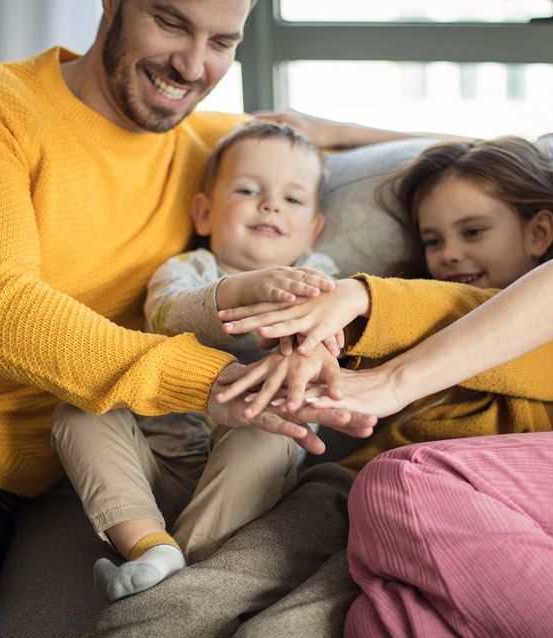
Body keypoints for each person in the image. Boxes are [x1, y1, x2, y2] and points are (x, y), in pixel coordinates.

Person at [0, 1, 376, 636]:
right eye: (170, 22)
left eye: (222, 41)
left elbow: (458, 150)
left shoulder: (212, 150)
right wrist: (212, 381)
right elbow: (1, 313)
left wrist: (345, 132)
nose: (191, 66)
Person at [217, 0, 553, 634]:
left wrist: (389, 380)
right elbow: (519, 153)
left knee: (408, 484)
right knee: (384, 619)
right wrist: (338, 131)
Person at [51, 121, 342, 601]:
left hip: (241, 484)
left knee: (268, 425)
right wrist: (240, 290)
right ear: (205, 214)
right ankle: (153, 546)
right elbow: (167, 316)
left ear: (312, 230)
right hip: (154, 468)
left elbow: (328, 338)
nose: (269, 204)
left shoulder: (318, 278)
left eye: (291, 199)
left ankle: (176, 573)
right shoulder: (187, 269)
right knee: (78, 410)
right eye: (248, 190)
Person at [330, 136, 553, 470]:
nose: (449, 254)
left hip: (477, 480)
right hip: (361, 473)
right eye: (433, 241)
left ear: (537, 233)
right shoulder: (412, 313)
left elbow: (458, 311)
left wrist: (360, 301)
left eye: (473, 232)